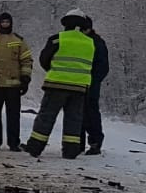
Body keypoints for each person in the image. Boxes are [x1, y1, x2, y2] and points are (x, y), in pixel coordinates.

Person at [25, 9, 96, 160]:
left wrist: (53, 70)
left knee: (46, 117)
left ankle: (35, 147)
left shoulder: (57, 39)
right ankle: (70, 151)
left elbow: (44, 58)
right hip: (79, 87)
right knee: (74, 119)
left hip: (57, 85)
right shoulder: (90, 43)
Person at [0, 12, 33, 151]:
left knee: (13, 116)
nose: (5, 24)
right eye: (3, 22)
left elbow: (26, 60)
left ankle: (13, 143)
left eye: (7, 22)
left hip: (13, 85)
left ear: (11, 23)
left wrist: (25, 79)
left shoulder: (19, 40)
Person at [81, 16, 110, 155]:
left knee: (90, 113)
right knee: (77, 113)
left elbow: (103, 67)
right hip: (80, 82)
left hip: (90, 84)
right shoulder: (91, 41)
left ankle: (95, 142)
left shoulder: (97, 43)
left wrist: (93, 80)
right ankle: (78, 142)